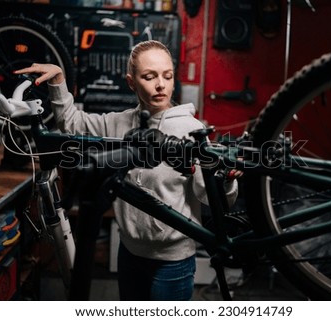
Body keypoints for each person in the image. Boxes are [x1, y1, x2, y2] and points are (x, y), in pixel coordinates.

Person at [14, 40, 240, 300]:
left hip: (173, 262)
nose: (160, 85)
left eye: (167, 76)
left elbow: (208, 194)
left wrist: (226, 179)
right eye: (149, 76)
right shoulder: (119, 124)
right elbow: (73, 125)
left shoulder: (190, 129)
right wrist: (58, 81)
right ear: (131, 82)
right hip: (130, 254)